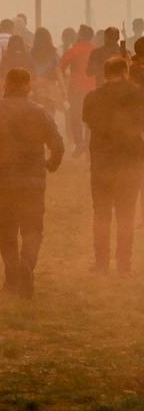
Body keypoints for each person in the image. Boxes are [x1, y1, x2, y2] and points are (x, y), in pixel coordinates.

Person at [0, 68, 64, 297]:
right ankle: (27, 267)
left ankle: (11, 278)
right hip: (33, 180)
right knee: (33, 229)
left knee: (7, 229)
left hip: (2, 179)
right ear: (28, 86)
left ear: (6, 85)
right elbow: (57, 144)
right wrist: (51, 164)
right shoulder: (39, 112)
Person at [79, 54, 143, 274]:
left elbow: (87, 120)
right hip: (130, 161)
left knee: (102, 213)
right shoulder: (137, 94)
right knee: (126, 214)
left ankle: (101, 263)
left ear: (105, 74)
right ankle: (124, 264)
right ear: (125, 72)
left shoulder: (93, 97)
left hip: (102, 162)